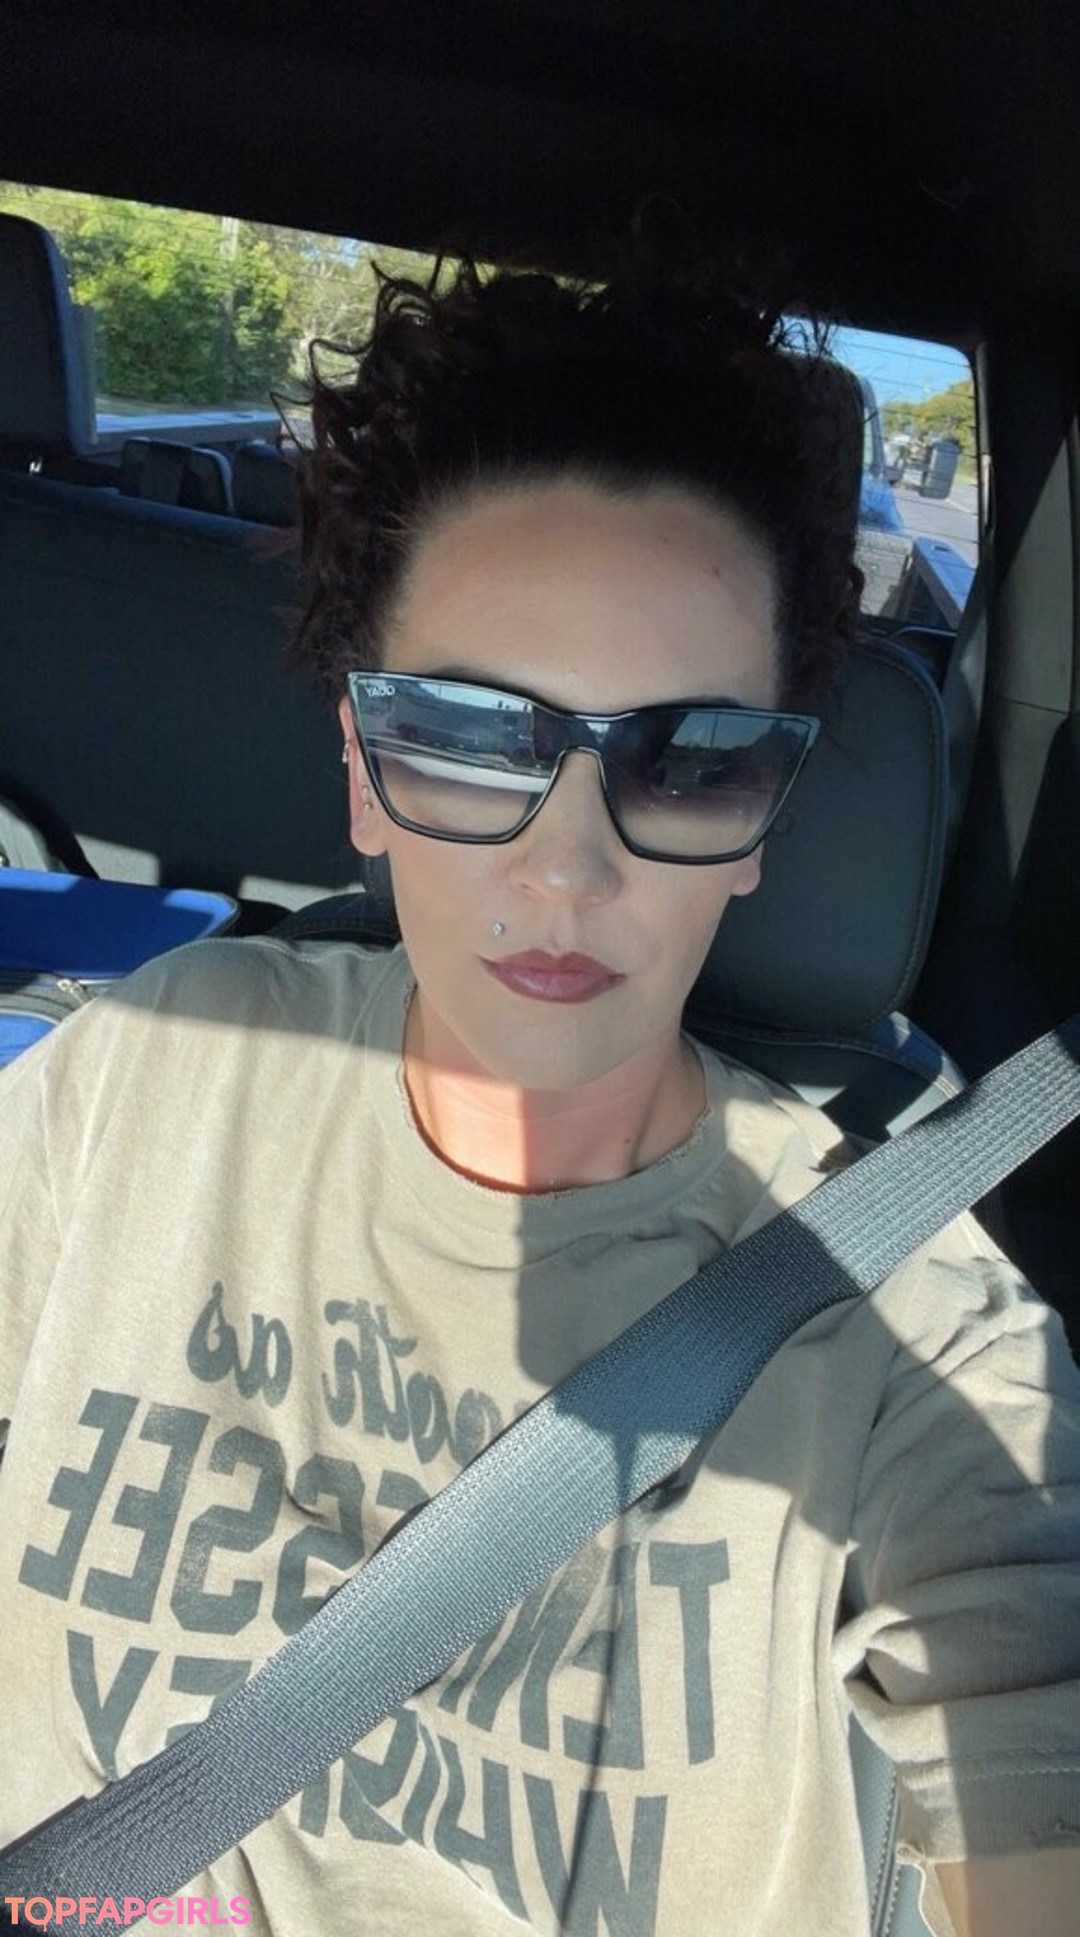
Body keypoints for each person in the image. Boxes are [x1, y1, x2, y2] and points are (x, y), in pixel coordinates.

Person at [0, 228, 1078, 1937]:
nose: (567, 867)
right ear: (362, 773)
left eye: (694, 761)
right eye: (464, 734)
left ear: (769, 819)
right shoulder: (159, 1069)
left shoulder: (915, 1336)